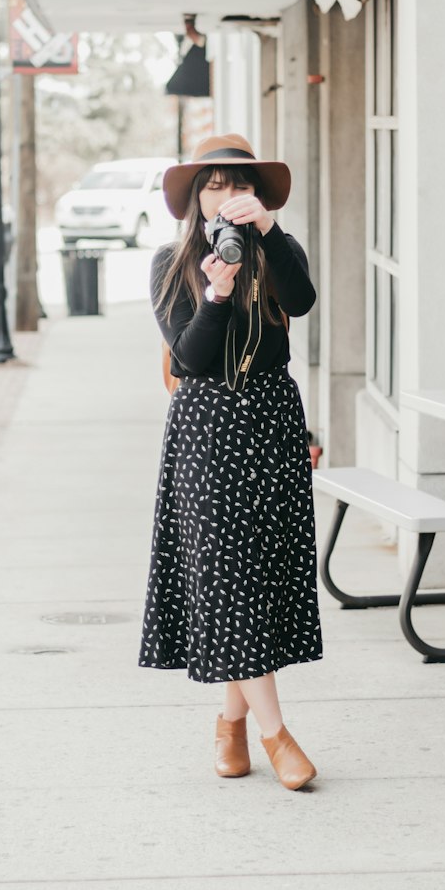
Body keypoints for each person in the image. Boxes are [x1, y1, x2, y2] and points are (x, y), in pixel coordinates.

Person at [139, 133, 323, 791]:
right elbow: (187, 359)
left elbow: (302, 301)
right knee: (230, 578)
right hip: (208, 431)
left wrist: (270, 231)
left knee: (258, 578)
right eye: (212, 183)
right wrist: (216, 295)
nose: (224, 194)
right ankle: (275, 733)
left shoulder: (274, 250)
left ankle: (231, 725)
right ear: (194, 197)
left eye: (235, 183)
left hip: (272, 423)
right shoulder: (172, 262)